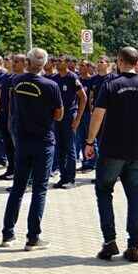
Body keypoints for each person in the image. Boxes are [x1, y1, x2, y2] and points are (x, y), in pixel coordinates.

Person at [85, 47, 138, 262]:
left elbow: (98, 115)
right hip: (137, 151)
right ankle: (134, 245)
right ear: (137, 62)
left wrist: (89, 141)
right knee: (136, 197)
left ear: (119, 61)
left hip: (112, 150)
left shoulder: (110, 84)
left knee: (103, 192)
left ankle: (110, 242)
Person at [0, 48, 63, 250]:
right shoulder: (51, 85)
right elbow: (59, 114)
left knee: (18, 188)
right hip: (43, 141)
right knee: (39, 189)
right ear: (44, 64)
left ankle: (7, 234)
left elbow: (12, 107)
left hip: (22, 140)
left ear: (27, 62)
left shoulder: (16, 81)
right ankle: (33, 237)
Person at [52, 55, 87, 189]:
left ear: (67, 63)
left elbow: (83, 98)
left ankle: (71, 179)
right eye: (57, 61)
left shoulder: (72, 77)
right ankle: (63, 177)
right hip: (57, 118)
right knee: (59, 148)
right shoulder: (54, 79)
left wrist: (78, 118)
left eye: (60, 61)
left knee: (70, 148)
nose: (57, 63)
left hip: (69, 117)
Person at [0, 54, 26, 181]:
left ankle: (18, 172)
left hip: (15, 116)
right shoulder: (4, 77)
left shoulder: (22, 78)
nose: (12, 63)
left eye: (15, 61)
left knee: (17, 146)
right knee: (7, 144)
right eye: (11, 61)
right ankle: (11, 168)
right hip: (4, 114)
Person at [76, 60, 95, 173]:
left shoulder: (91, 80)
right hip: (79, 113)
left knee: (90, 139)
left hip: (88, 113)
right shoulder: (77, 80)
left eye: (83, 65)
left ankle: (91, 163)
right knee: (81, 138)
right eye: (80, 65)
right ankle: (85, 162)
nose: (81, 67)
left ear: (88, 67)